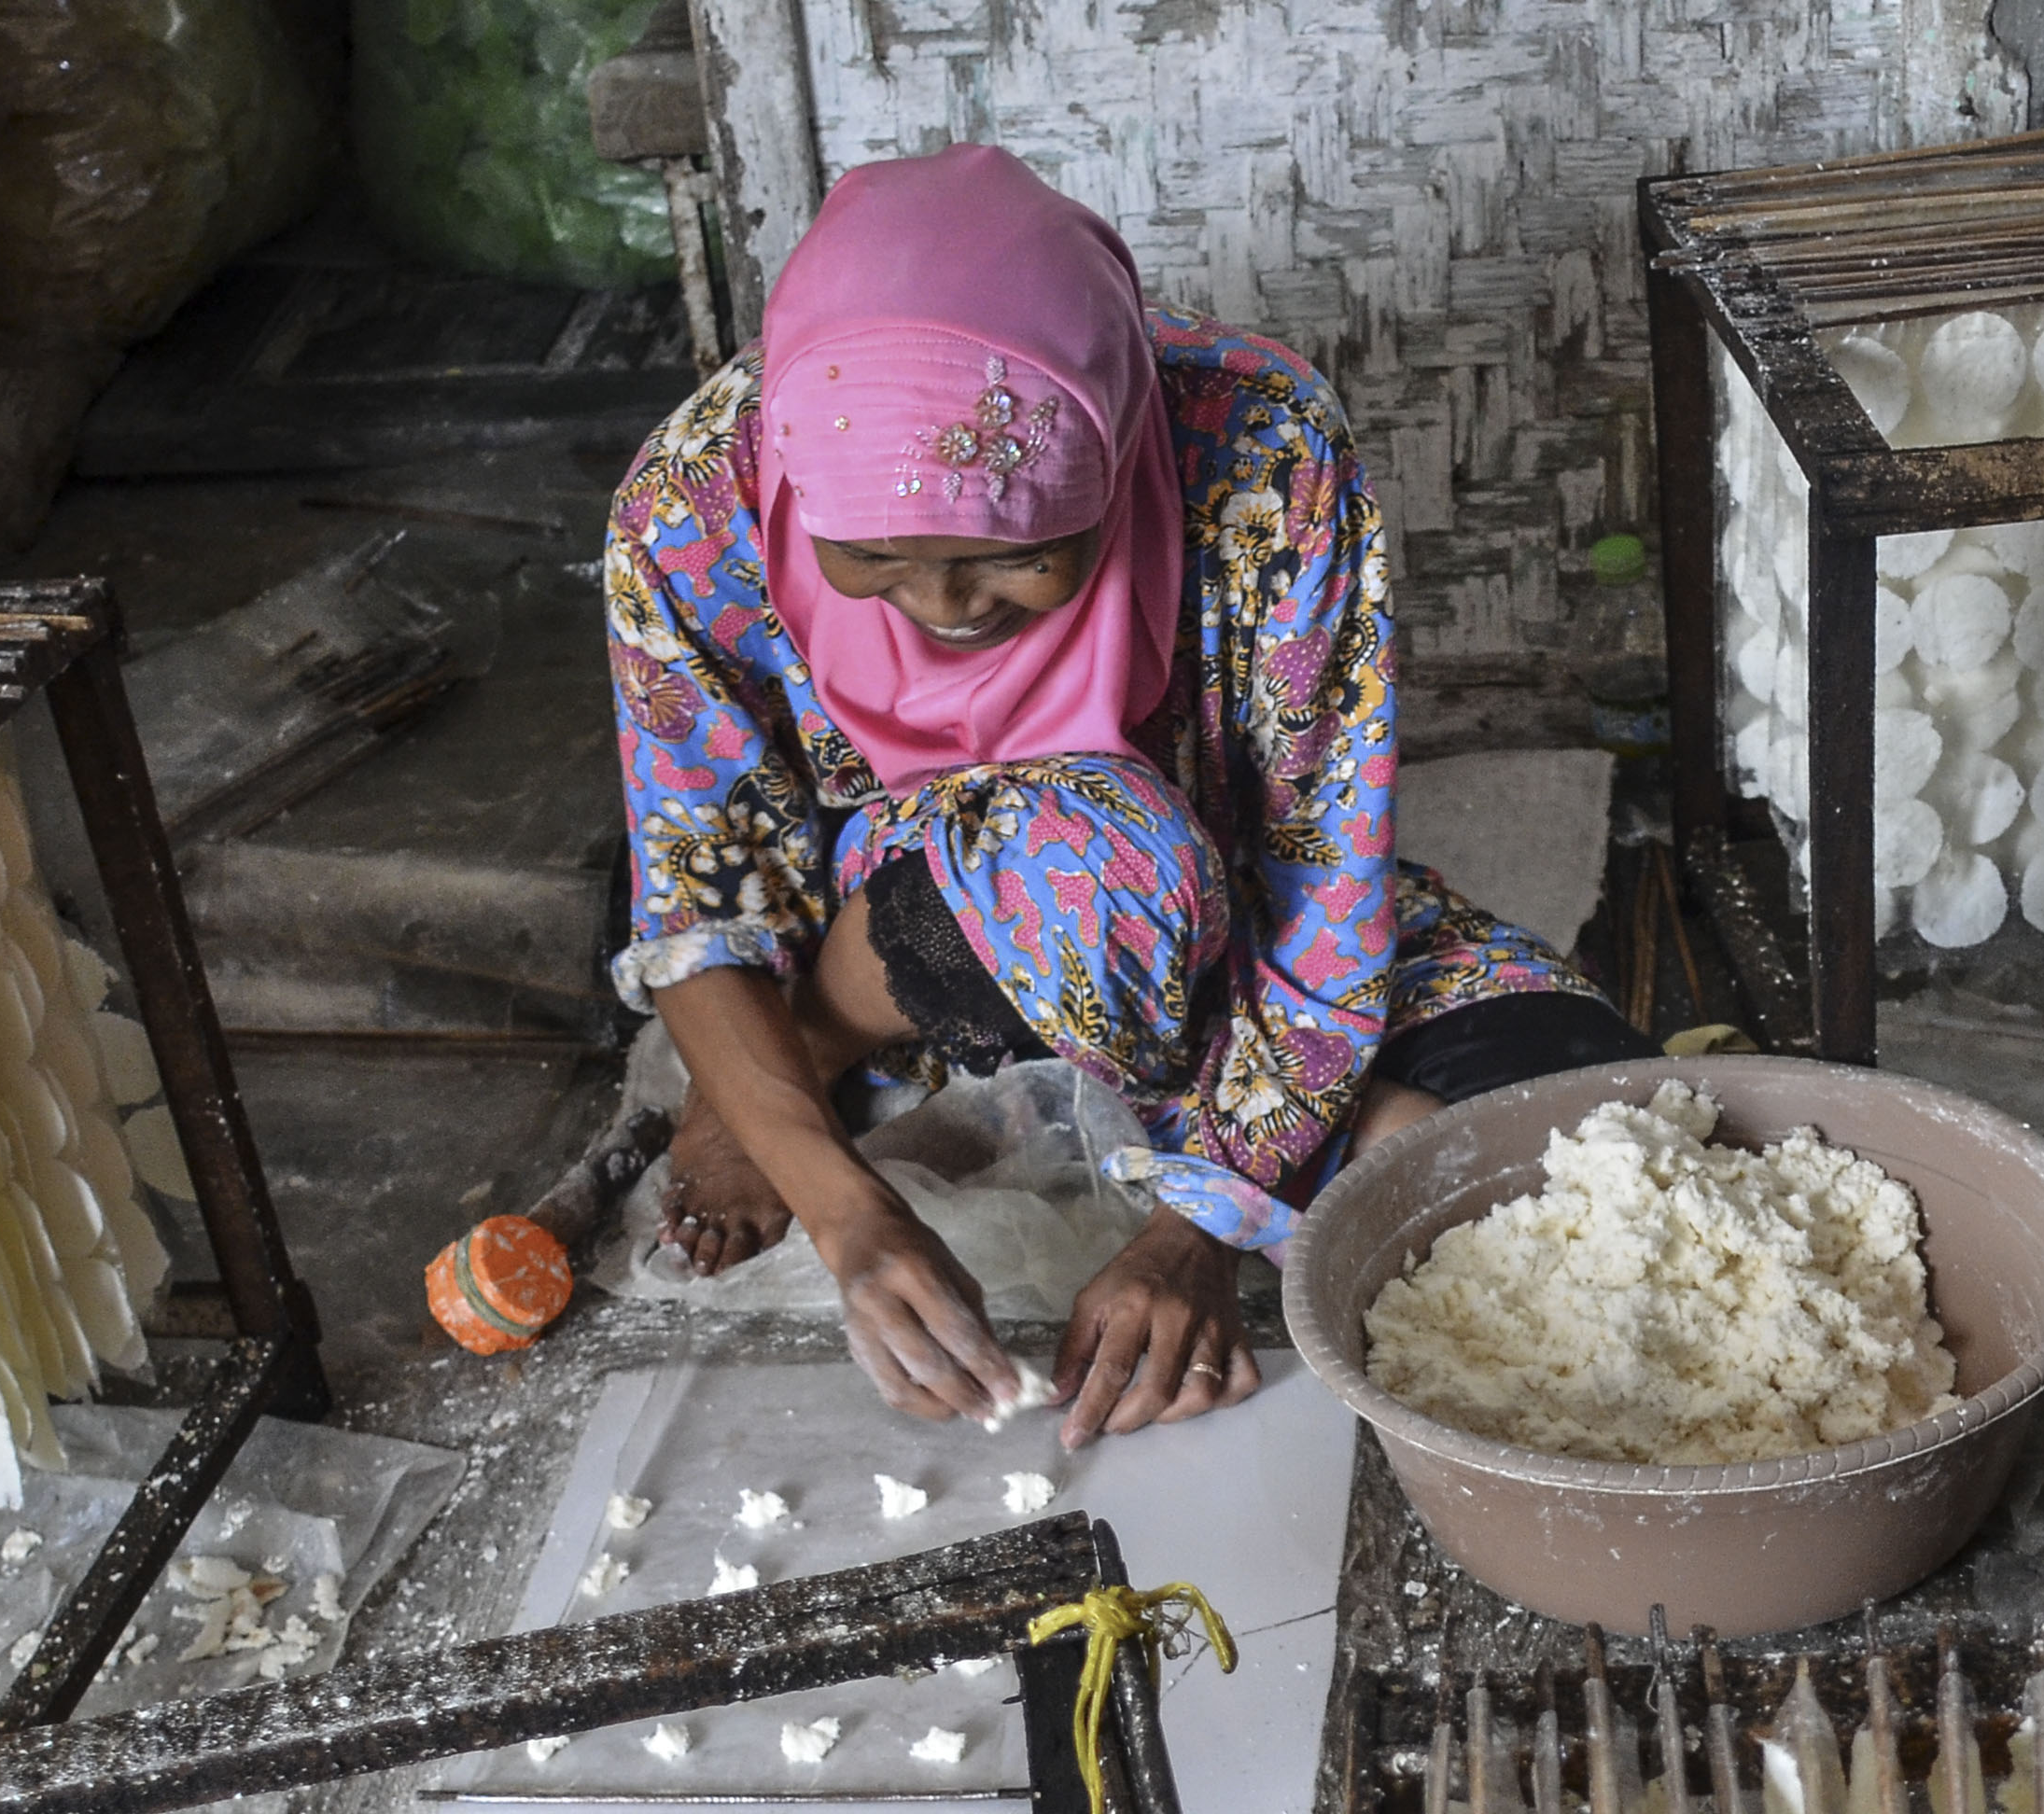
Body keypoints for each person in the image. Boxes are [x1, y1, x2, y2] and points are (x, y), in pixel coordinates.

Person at [602, 145, 1650, 1440]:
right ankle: (814, 1042)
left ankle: (1173, 1100)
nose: (940, 608)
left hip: (1230, 908)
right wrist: (846, 1211)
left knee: (1582, 1145)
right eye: (872, 556)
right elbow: (703, 890)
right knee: (1092, 870)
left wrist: (1193, 1226)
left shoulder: (1259, 445)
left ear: (1114, 454)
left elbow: (1321, 866)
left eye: (1020, 556)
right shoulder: (697, 497)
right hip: (930, 927)